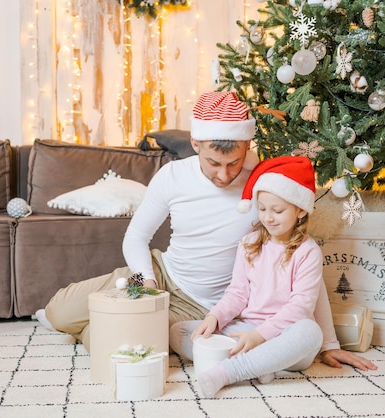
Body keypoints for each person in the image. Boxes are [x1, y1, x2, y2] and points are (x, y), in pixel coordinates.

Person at [35, 91, 259, 351]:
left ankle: (98, 330)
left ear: (247, 146)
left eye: (234, 163)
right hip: (159, 274)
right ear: (195, 143)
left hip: (202, 307)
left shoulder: (263, 181)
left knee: (115, 341)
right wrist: (147, 282)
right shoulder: (173, 176)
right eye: (213, 162)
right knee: (58, 313)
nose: (224, 175)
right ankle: (95, 324)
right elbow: (136, 236)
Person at [169, 156, 377, 398]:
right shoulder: (249, 243)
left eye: (277, 210)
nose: (268, 217)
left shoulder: (307, 252)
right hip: (248, 330)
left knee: (311, 332)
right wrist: (215, 318)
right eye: (263, 209)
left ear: (300, 210)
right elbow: (237, 293)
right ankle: (263, 365)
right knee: (180, 331)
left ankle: (231, 371)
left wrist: (260, 337)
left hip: (285, 337)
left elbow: (300, 307)